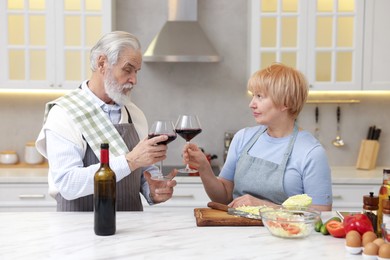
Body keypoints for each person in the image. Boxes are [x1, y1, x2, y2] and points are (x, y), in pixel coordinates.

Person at [36, 31, 177, 211]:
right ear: (102, 63)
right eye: (128, 69)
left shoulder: (135, 114)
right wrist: (129, 161)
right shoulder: (64, 113)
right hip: (77, 231)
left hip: (131, 230)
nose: (134, 80)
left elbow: (142, 170)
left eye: (136, 71)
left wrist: (152, 189)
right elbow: (68, 184)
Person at [183, 63, 332, 211]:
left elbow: (321, 212)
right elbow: (223, 197)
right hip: (237, 232)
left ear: (285, 103)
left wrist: (266, 207)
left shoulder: (311, 152)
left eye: (260, 96)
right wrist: (204, 167)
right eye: (253, 95)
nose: (251, 104)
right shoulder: (243, 138)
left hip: (284, 233)